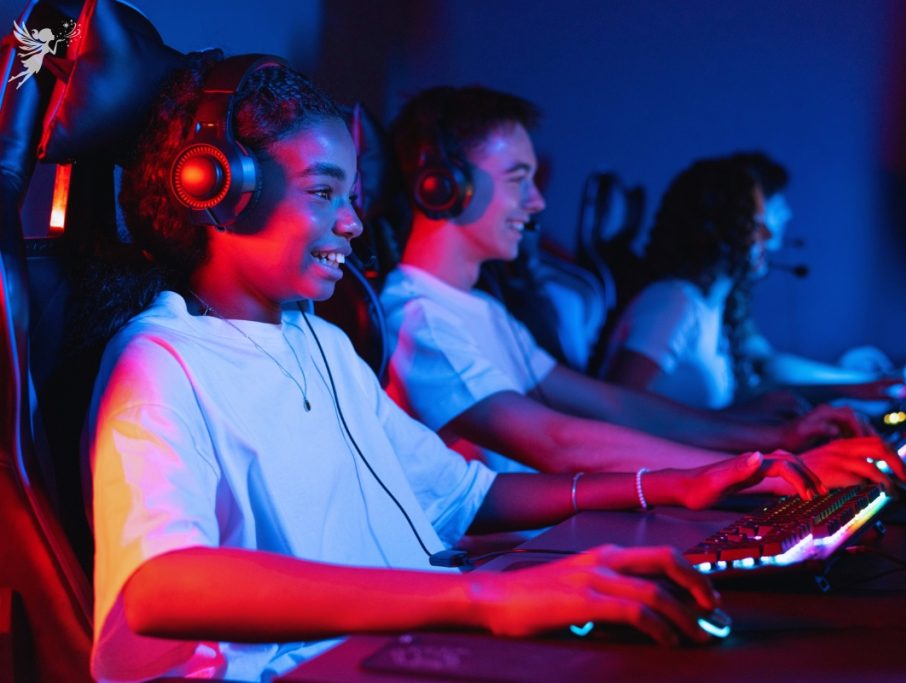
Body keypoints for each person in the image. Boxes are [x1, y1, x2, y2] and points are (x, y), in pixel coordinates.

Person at [86, 53, 835, 683]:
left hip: (395, 648)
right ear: (218, 189)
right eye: (323, 193)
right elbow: (157, 585)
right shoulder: (162, 360)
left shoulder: (319, 343)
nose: (352, 221)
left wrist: (671, 484)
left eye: (352, 196)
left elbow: (470, 495)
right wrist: (482, 598)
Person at [381, 85, 905, 488]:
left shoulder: (481, 309)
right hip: (514, 564)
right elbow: (556, 441)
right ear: (442, 186)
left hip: (557, 542)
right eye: (519, 179)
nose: (537, 202)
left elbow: (617, 406)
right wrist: (764, 470)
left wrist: (775, 439)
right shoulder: (421, 320)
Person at [604, 154, 906, 413]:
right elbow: (618, 410)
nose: (771, 235)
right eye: (756, 223)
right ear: (716, 230)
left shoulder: (708, 308)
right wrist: (740, 423)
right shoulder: (673, 303)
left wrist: (857, 388)